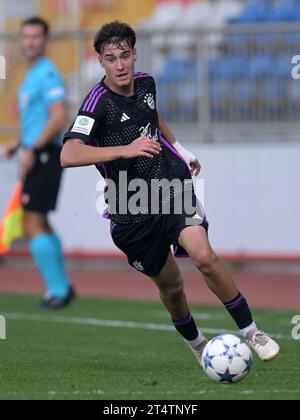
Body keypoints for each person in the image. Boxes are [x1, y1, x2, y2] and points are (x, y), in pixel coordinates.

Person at [61, 21, 279, 366]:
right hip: (130, 206)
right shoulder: (96, 104)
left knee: (204, 255)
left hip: (169, 186)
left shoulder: (147, 82)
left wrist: (180, 147)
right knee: (172, 286)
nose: (119, 65)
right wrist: (124, 150)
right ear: (100, 61)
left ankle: (252, 331)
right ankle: (196, 343)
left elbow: (151, 115)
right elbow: (68, 154)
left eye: (124, 56)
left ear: (134, 54)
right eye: (110, 58)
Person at [4, 17, 75, 309]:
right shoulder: (32, 74)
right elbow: (38, 120)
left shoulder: (47, 74)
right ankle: (62, 287)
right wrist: (19, 144)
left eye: (36, 36)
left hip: (45, 154)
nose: (30, 41)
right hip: (38, 151)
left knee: (30, 222)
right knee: (39, 220)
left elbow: (59, 116)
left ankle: (58, 290)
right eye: (26, 37)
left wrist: (32, 148)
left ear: (46, 41)